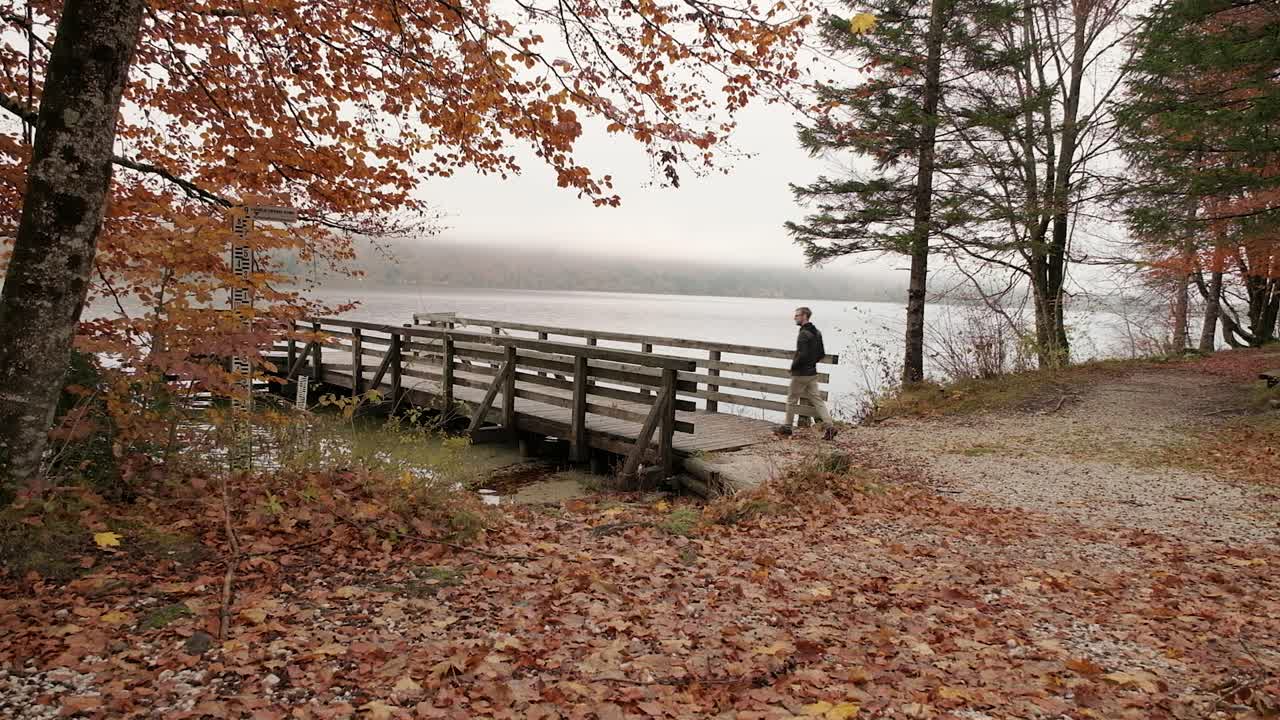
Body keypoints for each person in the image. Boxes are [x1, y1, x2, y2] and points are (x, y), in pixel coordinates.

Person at [776, 307, 837, 440]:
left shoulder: (803, 334)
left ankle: (787, 427)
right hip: (812, 373)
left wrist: (793, 367)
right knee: (817, 400)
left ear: (804, 316)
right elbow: (821, 354)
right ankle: (830, 426)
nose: (795, 318)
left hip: (801, 374)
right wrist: (811, 363)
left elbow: (802, 354)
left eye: (797, 315)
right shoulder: (817, 332)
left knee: (791, 399)